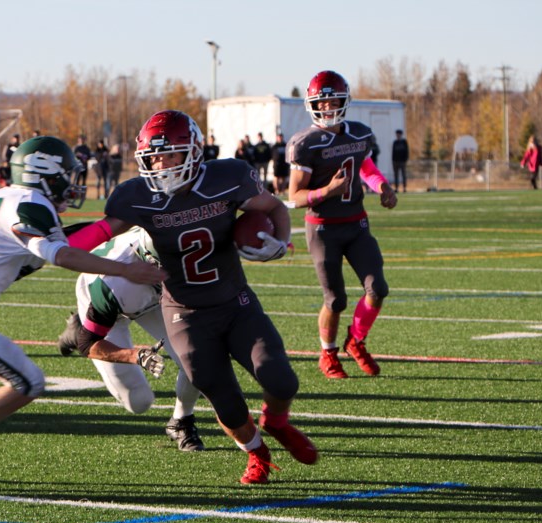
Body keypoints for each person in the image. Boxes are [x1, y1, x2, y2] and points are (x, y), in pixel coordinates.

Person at [0, 136, 166, 488]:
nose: (71, 182)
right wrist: (127, 269)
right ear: (44, 173)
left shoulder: (10, 196)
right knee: (29, 382)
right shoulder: (30, 202)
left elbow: (65, 243)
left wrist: (119, 223)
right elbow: (63, 255)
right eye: (66, 174)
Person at [63, 110, 316, 485]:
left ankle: (275, 421)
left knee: (281, 380)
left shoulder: (227, 177)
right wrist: (49, 244)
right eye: (154, 157)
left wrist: (280, 243)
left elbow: (275, 208)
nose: (161, 164)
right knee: (225, 403)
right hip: (185, 315)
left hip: (235, 302)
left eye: (170, 155)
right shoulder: (136, 197)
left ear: (194, 151)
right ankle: (258, 453)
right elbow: (97, 234)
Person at [287, 70, 398, 380]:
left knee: (378, 288)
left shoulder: (358, 133)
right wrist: (327, 192)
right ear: (312, 105)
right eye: (322, 102)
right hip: (323, 228)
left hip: (356, 223)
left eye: (333, 100)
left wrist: (382, 187)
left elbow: (365, 167)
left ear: (344, 100)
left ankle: (356, 340)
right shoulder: (304, 143)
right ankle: (328, 352)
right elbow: (293, 197)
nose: (328, 107)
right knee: (335, 300)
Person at [56, 227, 205, 452]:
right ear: (146, 260)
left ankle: (181, 421)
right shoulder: (111, 286)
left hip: (154, 301)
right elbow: (89, 345)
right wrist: (137, 356)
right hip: (110, 304)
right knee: (138, 401)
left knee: (197, 357)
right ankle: (80, 327)